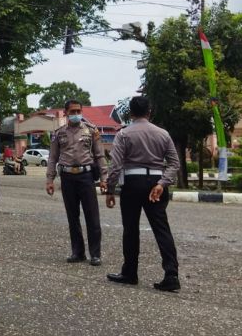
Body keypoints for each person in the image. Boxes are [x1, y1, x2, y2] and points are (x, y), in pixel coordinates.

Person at [104, 96, 181, 291]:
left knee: (131, 229)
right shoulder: (163, 134)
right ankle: (171, 275)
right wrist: (162, 183)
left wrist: (110, 190)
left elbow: (115, 165)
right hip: (156, 185)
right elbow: (174, 164)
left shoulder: (123, 134)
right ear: (149, 112)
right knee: (162, 229)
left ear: (130, 113)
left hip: (132, 184)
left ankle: (130, 273)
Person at [45, 99, 108, 266]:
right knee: (73, 217)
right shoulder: (59, 133)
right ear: (65, 113)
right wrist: (49, 179)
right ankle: (78, 252)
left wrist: (104, 178)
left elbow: (100, 155)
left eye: (78, 111)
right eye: (72, 111)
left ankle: (95, 254)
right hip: (67, 178)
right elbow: (52, 158)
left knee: (92, 216)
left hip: (86, 177)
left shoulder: (91, 130)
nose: (75, 114)